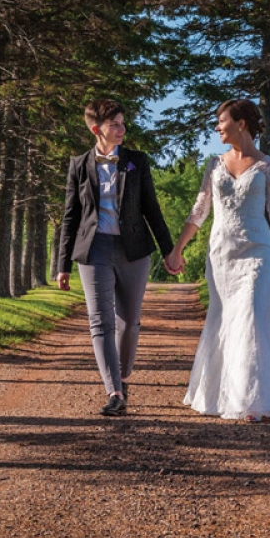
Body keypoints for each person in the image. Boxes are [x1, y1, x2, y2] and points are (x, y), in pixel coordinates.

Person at [165, 98, 270, 422]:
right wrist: (177, 249)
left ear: (240, 123)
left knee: (252, 317)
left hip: (258, 252)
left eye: (221, 121)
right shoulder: (214, 165)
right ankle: (217, 393)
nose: (217, 127)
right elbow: (199, 211)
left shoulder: (268, 166)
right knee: (224, 319)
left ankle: (252, 399)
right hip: (221, 254)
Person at [57, 99, 174, 416]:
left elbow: (152, 209)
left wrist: (169, 250)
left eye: (123, 123)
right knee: (100, 322)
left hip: (133, 251)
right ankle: (114, 391)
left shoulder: (137, 161)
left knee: (129, 322)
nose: (122, 129)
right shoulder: (80, 165)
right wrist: (62, 265)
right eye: (115, 125)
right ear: (97, 130)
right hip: (94, 252)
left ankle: (123, 378)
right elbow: (71, 217)